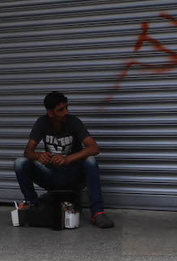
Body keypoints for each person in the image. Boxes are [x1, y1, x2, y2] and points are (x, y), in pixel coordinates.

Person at [13, 91, 114, 228]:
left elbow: (94, 148)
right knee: (20, 163)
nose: (66, 112)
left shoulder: (74, 122)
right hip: (51, 175)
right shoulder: (41, 123)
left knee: (90, 160)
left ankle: (97, 212)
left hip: (73, 175)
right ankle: (33, 205)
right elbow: (28, 152)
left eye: (67, 107)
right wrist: (38, 156)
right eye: (60, 110)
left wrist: (67, 159)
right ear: (50, 113)